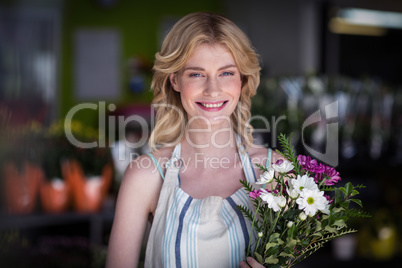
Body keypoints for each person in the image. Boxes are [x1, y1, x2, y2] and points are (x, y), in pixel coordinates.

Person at [106, 12, 282, 268]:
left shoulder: (275, 171)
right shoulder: (145, 176)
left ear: (242, 79)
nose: (213, 89)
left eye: (226, 73)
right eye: (197, 74)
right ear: (175, 80)